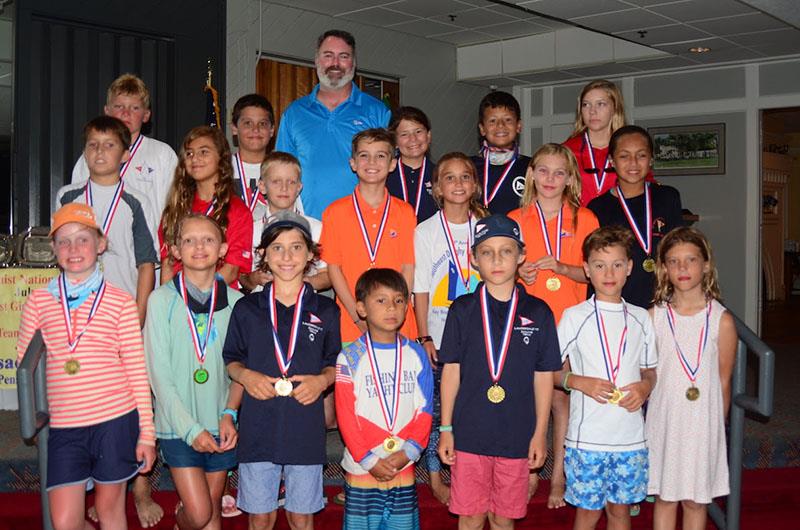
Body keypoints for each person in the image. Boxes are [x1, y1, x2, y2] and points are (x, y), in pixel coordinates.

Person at [17, 203, 156, 530]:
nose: (73, 249)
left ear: (101, 244)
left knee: (110, 511)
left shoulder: (121, 301)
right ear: (53, 249)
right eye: (63, 241)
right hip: (65, 426)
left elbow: (136, 370)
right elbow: (27, 364)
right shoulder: (39, 301)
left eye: (83, 239)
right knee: (65, 522)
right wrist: (32, 418)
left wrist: (146, 434)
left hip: (115, 421)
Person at [438, 214, 561, 530]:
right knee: (470, 516)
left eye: (506, 251)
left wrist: (539, 433)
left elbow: (544, 377)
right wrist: (446, 428)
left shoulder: (538, 312)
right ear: (474, 259)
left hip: (517, 434)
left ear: (521, 256)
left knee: (504, 518)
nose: (496, 259)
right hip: (468, 432)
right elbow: (450, 371)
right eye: (487, 252)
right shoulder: (462, 310)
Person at [223, 211, 339, 530]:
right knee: (261, 516)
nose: (286, 256)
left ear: (311, 255)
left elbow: (335, 362)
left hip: (305, 424)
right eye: (277, 248)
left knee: (301, 516)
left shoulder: (326, 309)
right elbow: (232, 359)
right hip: (258, 423)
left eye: (296, 247)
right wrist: (246, 376)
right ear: (263, 255)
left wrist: (321, 381)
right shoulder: (246, 309)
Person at [508, 143, 600, 508]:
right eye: (542, 171)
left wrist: (561, 268)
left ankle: (558, 475)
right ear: (531, 175)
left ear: (570, 179)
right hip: (527, 323)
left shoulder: (585, 219)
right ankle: (529, 473)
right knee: (528, 402)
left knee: (562, 401)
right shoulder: (515, 219)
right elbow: (500, 273)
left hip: (570, 322)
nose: (550, 179)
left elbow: (593, 273)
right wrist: (520, 273)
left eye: (558, 172)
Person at [144, 214, 242, 530]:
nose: (199, 246)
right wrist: (190, 430)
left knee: (212, 515)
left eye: (208, 239)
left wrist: (230, 413)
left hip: (221, 424)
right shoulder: (160, 301)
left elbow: (242, 369)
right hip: (178, 424)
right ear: (175, 250)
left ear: (223, 248)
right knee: (198, 515)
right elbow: (158, 375)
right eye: (189, 240)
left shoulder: (239, 304)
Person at [556, 225, 657, 530]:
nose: (609, 273)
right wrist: (577, 381)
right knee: (587, 514)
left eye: (617, 264)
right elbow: (547, 371)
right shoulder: (574, 317)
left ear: (629, 267)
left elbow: (650, 369)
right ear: (586, 269)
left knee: (620, 512)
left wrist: (645, 386)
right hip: (587, 439)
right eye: (600, 265)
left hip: (630, 438)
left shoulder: (641, 317)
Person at [646, 227, 737, 530]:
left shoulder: (721, 320)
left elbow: (724, 381)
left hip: (703, 424)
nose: (682, 268)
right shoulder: (654, 317)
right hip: (665, 420)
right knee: (665, 497)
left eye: (691, 260)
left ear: (706, 265)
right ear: (664, 268)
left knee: (696, 501)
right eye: (674, 261)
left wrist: (716, 427)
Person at [413, 151, 487, 504]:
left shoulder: (486, 227)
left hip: (481, 339)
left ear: (475, 184)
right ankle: (435, 477)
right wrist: (424, 334)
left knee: (473, 409)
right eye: (449, 177)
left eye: (465, 177)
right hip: (440, 336)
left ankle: (471, 471)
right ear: (437, 187)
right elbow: (422, 288)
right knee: (438, 412)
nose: (458, 184)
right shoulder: (425, 231)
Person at [335, 268, 433, 530]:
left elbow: (425, 410)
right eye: (381, 300)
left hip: (403, 461)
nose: (392, 308)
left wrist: (410, 450)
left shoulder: (415, 353)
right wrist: (368, 459)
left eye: (399, 300)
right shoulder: (350, 357)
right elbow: (345, 415)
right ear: (361, 308)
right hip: (362, 465)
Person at [276, 29, 391, 218]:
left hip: (363, 223)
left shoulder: (377, 112)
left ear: (353, 63)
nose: (335, 63)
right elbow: (282, 170)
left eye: (343, 56)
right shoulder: (294, 114)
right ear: (316, 61)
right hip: (306, 225)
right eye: (328, 56)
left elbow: (389, 170)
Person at [56, 116, 159, 325]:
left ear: (125, 155)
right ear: (85, 153)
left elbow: (146, 264)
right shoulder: (67, 197)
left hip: (121, 310)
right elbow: (61, 252)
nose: (100, 151)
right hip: (78, 307)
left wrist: (138, 317)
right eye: (93, 145)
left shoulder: (138, 202)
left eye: (109, 145)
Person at [320, 128, 417, 345]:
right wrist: (358, 317)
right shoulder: (334, 212)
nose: (372, 162)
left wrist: (398, 312)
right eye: (364, 155)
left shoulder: (405, 212)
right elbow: (334, 269)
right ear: (353, 163)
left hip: (398, 324)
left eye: (381, 155)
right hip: (352, 325)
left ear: (392, 164)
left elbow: (408, 269)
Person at [588, 125, 683, 308]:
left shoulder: (668, 197)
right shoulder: (598, 207)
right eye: (624, 156)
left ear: (651, 160)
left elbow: (679, 250)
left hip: (662, 303)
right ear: (611, 161)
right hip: (617, 304)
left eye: (641, 155)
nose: (633, 163)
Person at [72, 73, 178, 233]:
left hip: (145, 251)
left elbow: (174, 207)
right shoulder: (91, 156)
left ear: (146, 115)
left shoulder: (162, 154)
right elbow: (77, 207)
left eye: (134, 108)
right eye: (119, 107)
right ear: (107, 111)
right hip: (99, 249)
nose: (126, 113)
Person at [159, 126, 253, 287]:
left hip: (217, 304)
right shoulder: (176, 207)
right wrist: (167, 301)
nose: (194, 158)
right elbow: (168, 264)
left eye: (203, 152)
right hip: (178, 299)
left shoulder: (237, 211)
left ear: (221, 159)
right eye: (189, 153)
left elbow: (231, 270)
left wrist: (196, 297)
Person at [240, 151, 329, 293]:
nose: (284, 188)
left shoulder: (317, 228)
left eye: (291, 182)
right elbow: (241, 278)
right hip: (261, 308)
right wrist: (255, 279)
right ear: (262, 186)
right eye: (276, 181)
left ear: (299, 187)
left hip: (305, 306)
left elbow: (327, 275)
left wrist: (306, 282)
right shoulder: (250, 230)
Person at [562, 80, 627, 207]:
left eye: (600, 104)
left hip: (619, 224)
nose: (592, 111)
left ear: (615, 108)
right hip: (578, 223)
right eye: (586, 105)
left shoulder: (629, 149)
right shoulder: (566, 151)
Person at [471, 91, 530, 215]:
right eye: (492, 121)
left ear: (518, 126)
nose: (501, 125)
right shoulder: (468, 167)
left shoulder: (532, 166)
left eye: (508, 120)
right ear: (482, 129)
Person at [387, 106, 438, 223]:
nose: (413, 139)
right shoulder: (384, 176)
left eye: (418, 131)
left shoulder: (441, 175)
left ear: (428, 136)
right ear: (394, 141)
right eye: (404, 134)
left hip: (431, 240)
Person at [230, 94, 277, 212]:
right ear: (234, 128)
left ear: (271, 130)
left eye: (262, 124)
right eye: (248, 123)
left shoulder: (281, 169)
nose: (255, 129)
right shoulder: (221, 169)